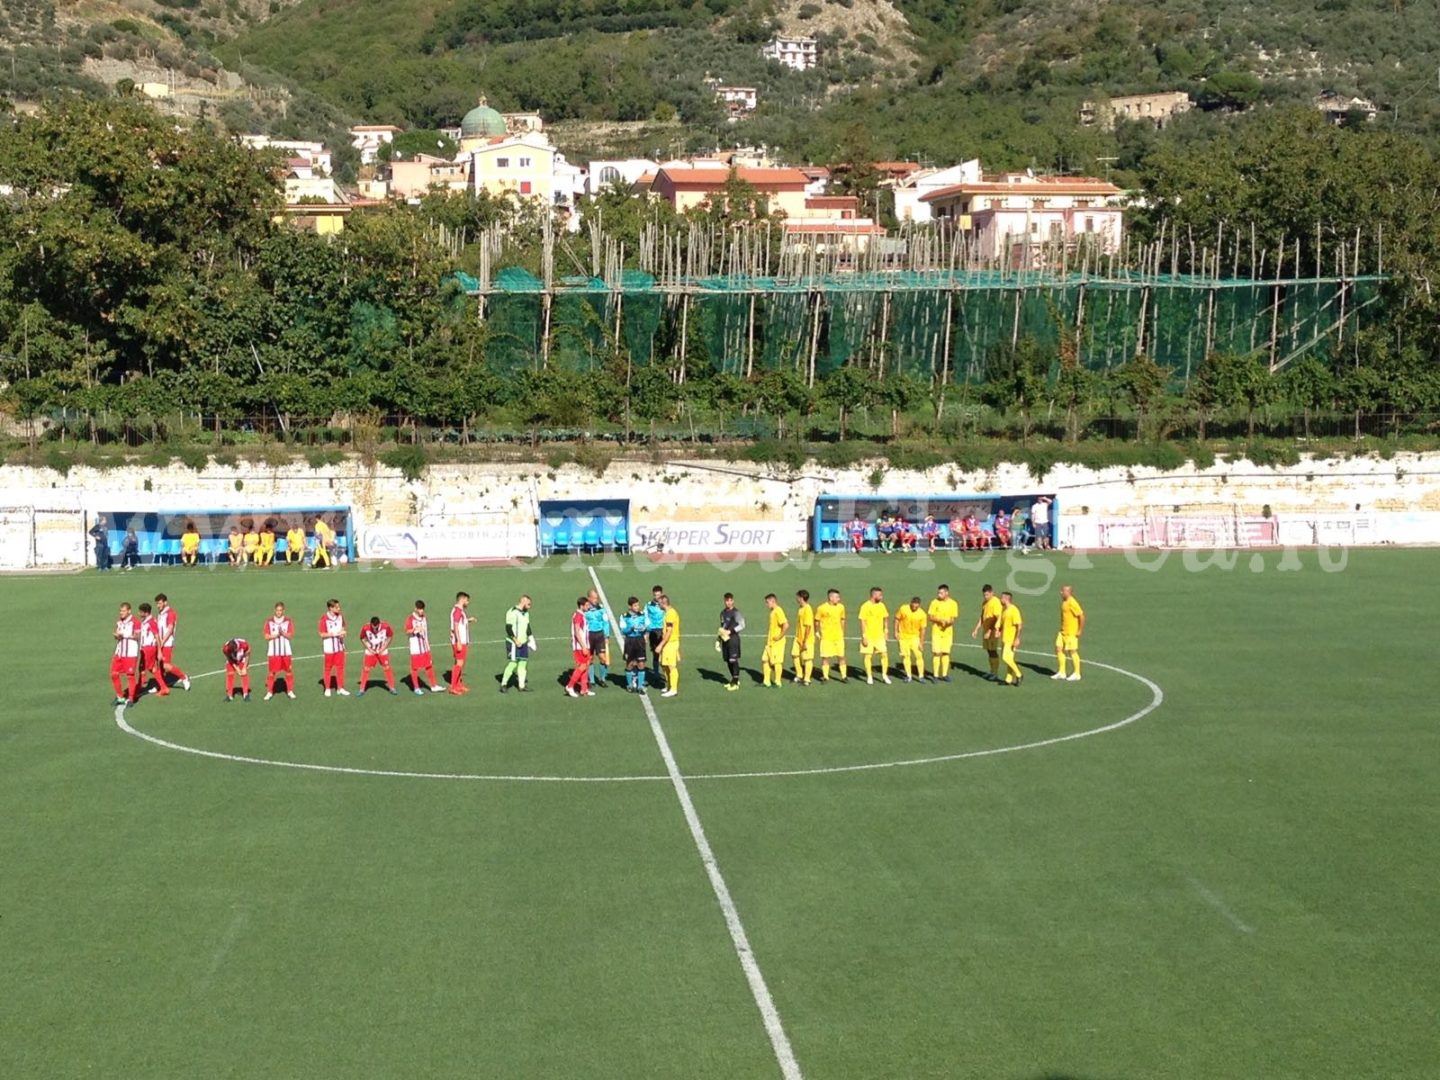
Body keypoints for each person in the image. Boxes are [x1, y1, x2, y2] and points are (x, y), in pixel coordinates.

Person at [153, 593, 190, 692]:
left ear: (165, 602)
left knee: (165, 665)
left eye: (160, 603)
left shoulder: (170, 613)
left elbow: (170, 629)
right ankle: (160, 685)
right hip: (160, 642)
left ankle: (184, 677)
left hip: (167, 643)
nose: (158, 605)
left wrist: (162, 641)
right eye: (157, 604)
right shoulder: (161, 613)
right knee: (158, 665)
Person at [404, 600, 442, 694]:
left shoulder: (424, 617)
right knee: (415, 668)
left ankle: (433, 686)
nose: (421, 611)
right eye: (420, 609)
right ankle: (416, 688)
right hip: (416, 648)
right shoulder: (410, 619)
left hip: (425, 646)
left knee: (429, 665)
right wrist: (414, 630)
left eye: (422, 609)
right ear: (415, 608)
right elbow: (406, 631)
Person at [500, 594, 535, 693]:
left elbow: (527, 626)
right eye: (528, 604)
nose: (529, 606)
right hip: (514, 643)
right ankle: (503, 684)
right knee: (513, 663)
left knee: (523, 663)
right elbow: (508, 628)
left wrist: (531, 638)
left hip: (523, 642)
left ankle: (521, 686)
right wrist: (515, 640)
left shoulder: (526, 613)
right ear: (523, 601)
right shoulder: (512, 612)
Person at [858, 586, 892, 685]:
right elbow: (862, 621)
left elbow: (886, 618)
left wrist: (886, 631)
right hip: (869, 636)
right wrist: (864, 636)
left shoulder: (882, 606)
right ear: (874, 595)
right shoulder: (865, 606)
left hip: (879, 636)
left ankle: (884, 675)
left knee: (884, 654)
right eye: (880, 595)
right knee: (868, 656)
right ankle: (869, 676)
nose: (882, 597)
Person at [358, 616, 398, 696]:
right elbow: (362, 638)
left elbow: (390, 636)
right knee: (366, 669)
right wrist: (369, 648)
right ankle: (362, 689)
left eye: (376, 627)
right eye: (373, 627)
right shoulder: (366, 628)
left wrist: (384, 647)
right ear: (371, 624)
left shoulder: (386, 626)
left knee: (387, 668)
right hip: (370, 651)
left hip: (382, 651)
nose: (375, 629)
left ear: (379, 624)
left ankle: (392, 688)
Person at [263, 602, 296, 700]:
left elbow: (290, 636)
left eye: (280, 610)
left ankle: (290, 691)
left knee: (289, 671)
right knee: (271, 672)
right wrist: (275, 635)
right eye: (277, 610)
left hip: (286, 652)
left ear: (283, 611)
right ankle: (269, 692)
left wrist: (283, 633)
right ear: (275, 610)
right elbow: (266, 636)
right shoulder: (269, 621)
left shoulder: (288, 621)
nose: (278, 612)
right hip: (273, 652)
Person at [971, 584, 1004, 681]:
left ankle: (995, 673)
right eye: (984, 595)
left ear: (992, 593)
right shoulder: (985, 603)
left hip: (993, 631)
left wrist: (990, 631)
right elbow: (982, 617)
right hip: (986, 631)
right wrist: (976, 629)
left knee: (993, 651)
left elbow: (997, 618)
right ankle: (991, 671)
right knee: (989, 651)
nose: (985, 597)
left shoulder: (996, 602)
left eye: (987, 595)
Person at [815, 588, 848, 682]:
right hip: (826, 638)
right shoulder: (821, 608)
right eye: (837, 597)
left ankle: (844, 676)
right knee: (825, 658)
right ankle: (825, 677)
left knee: (841, 656)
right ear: (831, 597)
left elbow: (842, 619)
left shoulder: (841, 607)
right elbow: (817, 620)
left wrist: (842, 630)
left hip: (838, 637)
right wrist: (817, 632)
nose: (839, 598)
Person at [927, 584, 959, 682]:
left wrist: (948, 622)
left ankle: (944, 674)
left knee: (946, 653)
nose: (939, 594)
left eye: (941, 593)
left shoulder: (953, 603)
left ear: (946, 593)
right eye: (938, 593)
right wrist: (940, 620)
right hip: (936, 632)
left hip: (948, 633)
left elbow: (953, 619)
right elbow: (930, 617)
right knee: (937, 653)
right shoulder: (934, 602)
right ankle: (935, 675)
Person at [1053, 584, 1085, 682]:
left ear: (1068, 592)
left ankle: (1077, 673)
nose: (1061, 592)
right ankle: (1062, 672)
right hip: (1063, 631)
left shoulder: (1072, 602)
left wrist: (1079, 630)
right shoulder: (1064, 602)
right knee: (1058, 649)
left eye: (1063, 591)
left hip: (1071, 632)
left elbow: (1081, 616)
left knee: (1072, 652)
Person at [111, 602, 141, 705]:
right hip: (119, 652)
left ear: (129, 611)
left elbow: (137, 636)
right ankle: (120, 696)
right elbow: (117, 635)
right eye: (120, 611)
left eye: (123, 611)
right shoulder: (119, 622)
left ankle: (131, 698)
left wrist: (124, 635)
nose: (121, 613)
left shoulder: (135, 622)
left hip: (130, 653)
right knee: (114, 674)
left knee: (130, 676)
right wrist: (117, 636)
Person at [319, 598, 349, 698]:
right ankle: (327, 688)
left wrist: (343, 633)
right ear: (330, 608)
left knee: (340, 668)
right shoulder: (324, 619)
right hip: (329, 648)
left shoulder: (340, 616)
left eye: (339, 606)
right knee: (328, 668)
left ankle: (340, 688)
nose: (339, 608)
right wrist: (335, 634)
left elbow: (343, 627)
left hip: (340, 647)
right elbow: (322, 634)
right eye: (336, 607)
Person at [136, 602, 168, 697]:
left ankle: (163, 688)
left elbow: (157, 636)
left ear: (146, 613)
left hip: (149, 648)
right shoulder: (146, 621)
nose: (139, 613)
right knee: (142, 668)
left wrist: (159, 651)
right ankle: (140, 686)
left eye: (140, 612)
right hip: (145, 648)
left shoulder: (151, 622)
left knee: (152, 668)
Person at [619, 597, 650, 694]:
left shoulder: (643, 615)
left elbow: (648, 625)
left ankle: (640, 686)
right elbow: (623, 630)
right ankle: (629, 685)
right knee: (630, 664)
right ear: (630, 606)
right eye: (635, 605)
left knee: (641, 663)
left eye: (638, 605)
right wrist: (631, 628)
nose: (637, 607)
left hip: (640, 641)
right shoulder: (624, 616)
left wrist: (644, 629)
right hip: (630, 641)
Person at [895, 597, 928, 682]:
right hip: (903, 637)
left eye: (916, 607)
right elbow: (897, 619)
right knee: (906, 656)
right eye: (913, 606)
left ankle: (921, 676)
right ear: (911, 603)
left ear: (919, 605)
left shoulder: (922, 614)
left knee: (919, 656)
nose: (914, 608)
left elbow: (923, 629)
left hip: (915, 637)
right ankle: (908, 676)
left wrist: (921, 643)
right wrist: (896, 632)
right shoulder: (903, 608)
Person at [565, 597, 594, 698]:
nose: (588, 606)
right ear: (581, 606)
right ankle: (570, 686)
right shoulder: (578, 616)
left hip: (584, 645)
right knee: (582, 666)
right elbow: (577, 632)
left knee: (586, 666)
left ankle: (584, 689)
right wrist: (583, 646)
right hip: (580, 647)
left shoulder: (582, 615)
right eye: (587, 605)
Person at [584, 587, 611, 689]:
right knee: (590, 659)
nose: (596, 600)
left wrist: (607, 635)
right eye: (594, 598)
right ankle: (591, 680)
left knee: (603, 658)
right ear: (589, 598)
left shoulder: (601, 608)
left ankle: (602, 679)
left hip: (599, 635)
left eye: (597, 598)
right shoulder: (585, 610)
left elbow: (605, 622)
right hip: (589, 635)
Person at [717, 592, 745, 690]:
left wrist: (731, 631)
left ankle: (736, 683)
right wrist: (718, 640)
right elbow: (722, 627)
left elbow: (742, 625)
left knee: (733, 660)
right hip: (725, 640)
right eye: (726, 601)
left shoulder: (736, 612)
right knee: (728, 661)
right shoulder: (723, 613)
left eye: (730, 600)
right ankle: (733, 680)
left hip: (733, 640)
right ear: (724, 601)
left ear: (733, 601)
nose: (728, 603)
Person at [449, 591, 474, 694]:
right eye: (467, 600)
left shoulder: (459, 611)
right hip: (459, 641)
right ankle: (453, 687)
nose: (468, 603)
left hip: (463, 641)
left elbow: (460, 623)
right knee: (459, 663)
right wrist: (458, 641)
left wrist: (468, 620)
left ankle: (458, 684)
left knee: (460, 663)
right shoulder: (457, 611)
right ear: (462, 599)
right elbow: (455, 626)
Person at [762, 593, 789, 688]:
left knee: (777, 662)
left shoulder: (778, 611)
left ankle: (778, 682)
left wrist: (779, 636)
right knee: (765, 659)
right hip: (770, 642)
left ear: (773, 601)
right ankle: (766, 681)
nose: (766, 604)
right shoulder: (773, 612)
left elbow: (786, 625)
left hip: (777, 642)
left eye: (767, 602)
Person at [657, 594, 681, 698]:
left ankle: (673, 689)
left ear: (663, 603)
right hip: (668, 644)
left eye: (659, 603)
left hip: (670, 643)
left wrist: (660, 645)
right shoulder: (667, 613)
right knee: (665, 665)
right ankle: (669, 686)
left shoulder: (670, 614)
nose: (658, 605)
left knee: (671, 666)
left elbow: (669, 632)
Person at [644, 585, 668, 689]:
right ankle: (656, 673)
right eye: (655, 595)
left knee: (665, 653)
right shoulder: (649, 605)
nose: (657, 597)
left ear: (661, 594)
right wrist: (646, 632)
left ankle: (666, 674)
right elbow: (645, 617)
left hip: (663, 631)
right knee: (655, 653)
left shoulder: (664, 605)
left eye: (658, 595)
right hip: (653, 631)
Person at [999, 591, 1024, 686]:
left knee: (1006, 658)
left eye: (1001, 598)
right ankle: (1008, 679)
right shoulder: (1005, 610)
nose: (1000, 600)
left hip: (1011, 639)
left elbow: (1019, 625)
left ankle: (1019, 674)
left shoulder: (1014, 610)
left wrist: (1017, 639)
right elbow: (1004, 624)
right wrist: (999, 630)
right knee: (1009, 659)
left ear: (1006, 599)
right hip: (1005, 639)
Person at [792, 589, 815, 686]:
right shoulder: (800, 608)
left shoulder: (807, 609)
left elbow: (809, 626)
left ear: (801, 598)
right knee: (794, 654)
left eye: (797, 597)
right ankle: (799, 674)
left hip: (807, 639)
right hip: (798, 637)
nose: (796, 599)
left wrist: (805, 641)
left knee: (807, 659)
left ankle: (807, 679)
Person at [222, 637, 251, 702]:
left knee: (244, 674)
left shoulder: (244, 644)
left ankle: (245, 694)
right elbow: (229, 658)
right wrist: (237, 668)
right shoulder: (226, 648)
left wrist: (244, 667)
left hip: (242, 658)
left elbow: (248, 654)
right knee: (230, 675)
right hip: (231, 660)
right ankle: (229, 695)